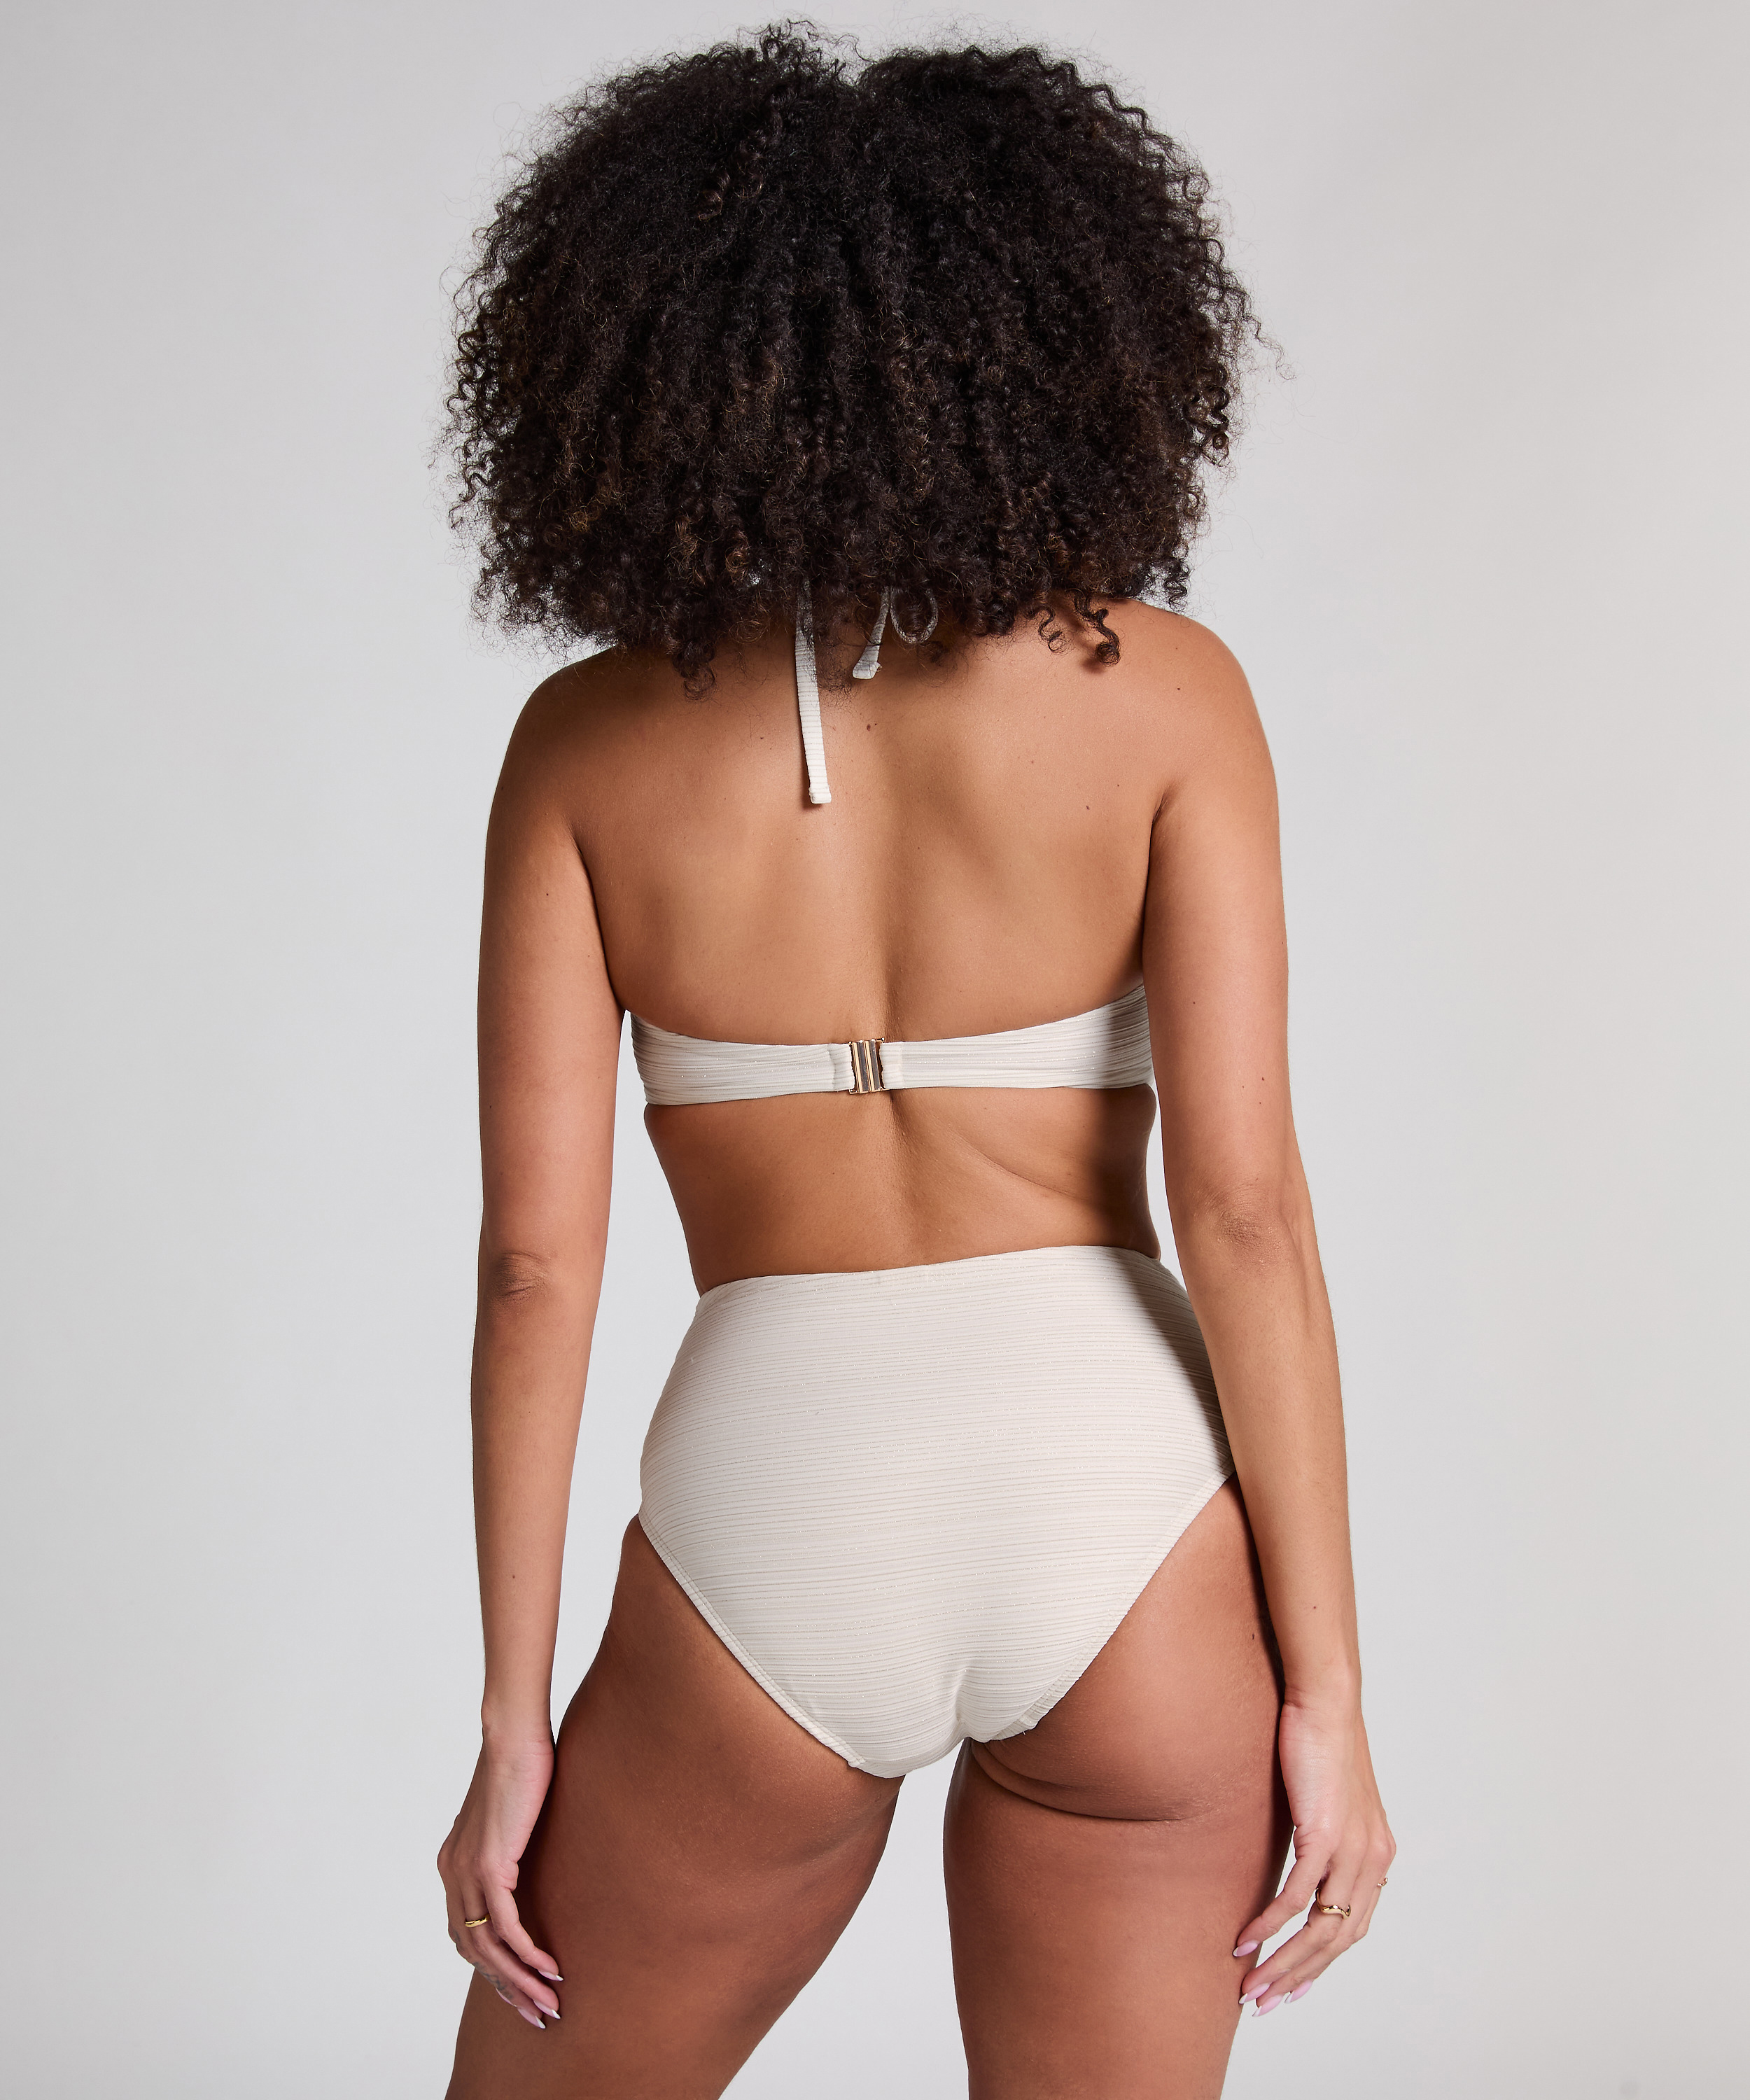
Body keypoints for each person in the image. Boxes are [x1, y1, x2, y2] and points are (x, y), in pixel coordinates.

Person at [435, 27, 1393, 2097]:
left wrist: (514, 1723)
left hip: (780, 1489)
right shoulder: (1168, 698)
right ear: (1063, 350)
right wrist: (1326, 1696)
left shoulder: (588, 745)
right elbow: (1243, 1213)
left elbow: (534, 1269)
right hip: (1123, 1501)